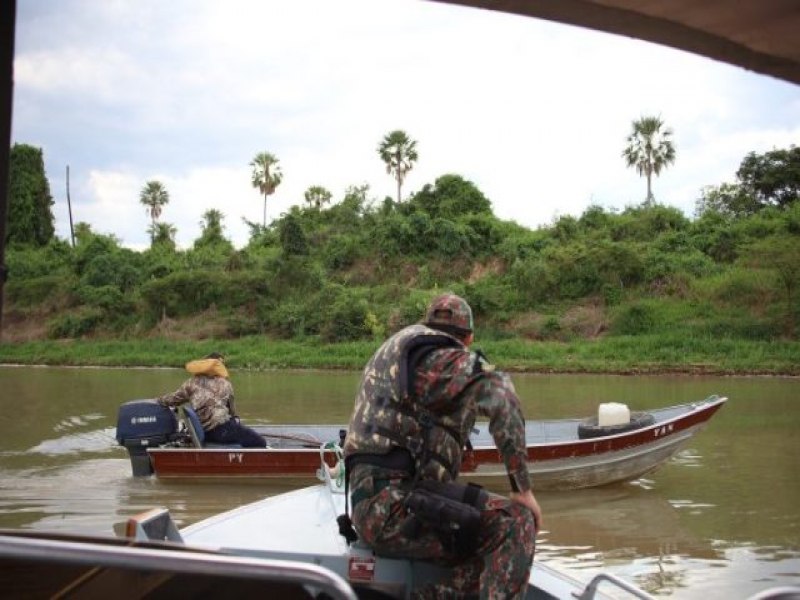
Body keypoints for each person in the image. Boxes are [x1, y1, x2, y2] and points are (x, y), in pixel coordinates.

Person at [342, 293, 542, 599]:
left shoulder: (403, 350)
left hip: (369, 506)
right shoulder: (444, 358)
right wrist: (522, 489)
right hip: (394, 508)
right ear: (469, 338)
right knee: (517, 523)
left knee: (480, 540)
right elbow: (501, 391)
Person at [157, 352, 267, 448]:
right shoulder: (225, 383)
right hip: (221, 430)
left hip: (205, 432)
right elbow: (232, 413)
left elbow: (172, 399)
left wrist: (158, 400)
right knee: (260, 442)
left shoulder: (191, 383)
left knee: (237, 431)